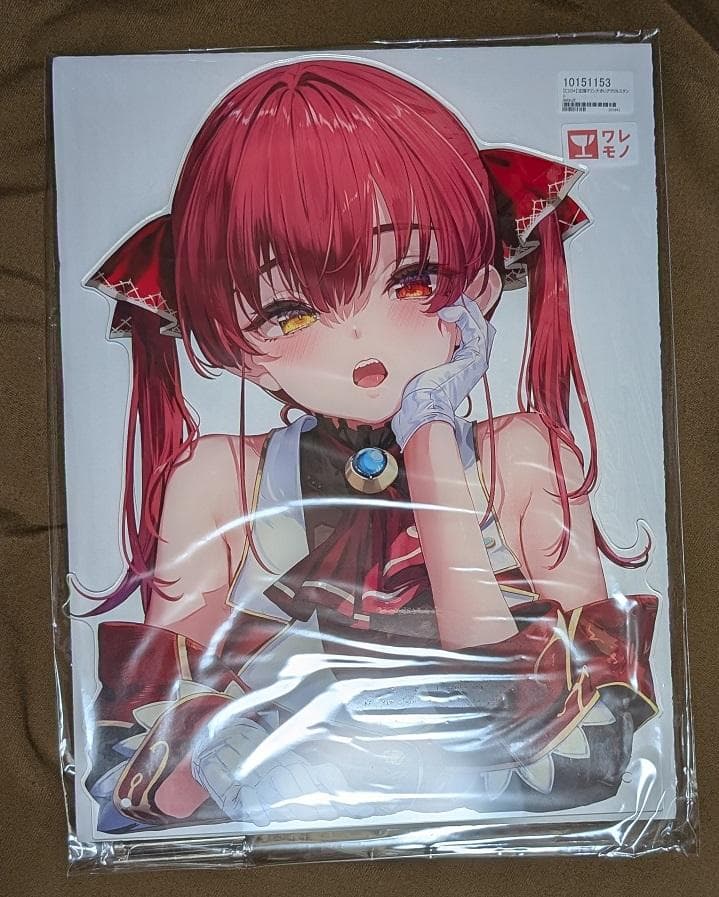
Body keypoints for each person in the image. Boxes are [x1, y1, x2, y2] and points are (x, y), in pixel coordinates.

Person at [80, 59, 657, 833]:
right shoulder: (220, 481)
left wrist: (429, 437)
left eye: (413, 279)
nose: (359, 339)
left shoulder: (521, 459)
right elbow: (142, 762)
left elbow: (591, 746)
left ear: (479, 289)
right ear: (235, 349)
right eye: (289, 310)